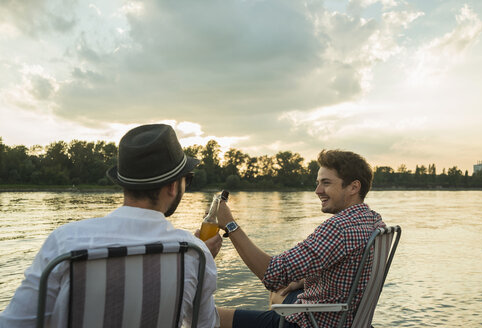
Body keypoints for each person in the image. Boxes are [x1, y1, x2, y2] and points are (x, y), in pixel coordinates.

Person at [0, 124, 222, 328]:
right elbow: (205, 325)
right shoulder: (194, 253)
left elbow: (15, 324)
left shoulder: (65, 242)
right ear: (173, 186)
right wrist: (203, 256)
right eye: (187, 180)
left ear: (125, 184)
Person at [216, 149, 385, 328]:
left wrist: (230, 224)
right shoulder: (373, 220)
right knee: (281, 290)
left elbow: (273, 274)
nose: (317, 190)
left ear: (353, 187)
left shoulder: (340, 228)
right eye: (318, 183)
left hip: (313, 322)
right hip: (350, 318)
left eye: (326, 183)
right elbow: (354, 269)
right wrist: (304, 280)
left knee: (207, 316)